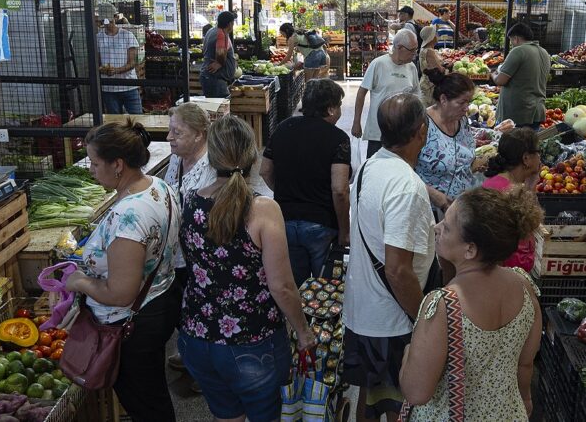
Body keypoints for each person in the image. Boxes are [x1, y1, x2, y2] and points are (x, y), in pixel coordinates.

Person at [177, 115, 316, 422]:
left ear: (212, 156)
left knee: (226, 415)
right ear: (254, 155)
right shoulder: (263, 209)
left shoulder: (189, 202)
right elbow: (281, 286)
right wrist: (303, 332)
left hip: (197, 337)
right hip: (252, 341)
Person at [65, 120, 181, 422]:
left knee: (145, 404)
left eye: (94, 162)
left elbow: (120, 293)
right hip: (158, 302)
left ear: (117, 164)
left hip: (130, 325)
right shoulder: (159, 186)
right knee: (152, 394)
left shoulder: (127, 216)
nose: (91, 169)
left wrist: (80, 282)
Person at [399, 187, 543, 420]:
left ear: (470, 249)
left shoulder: (443, 305)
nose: (436, 228)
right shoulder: (525, 286)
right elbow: (525, 364)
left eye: (446, 227)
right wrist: (526, 400)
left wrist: (408, 353)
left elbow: (416, 393)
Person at [343, 93, 437, 422]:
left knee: (370, 397)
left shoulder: (371, 165)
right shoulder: (405, 186)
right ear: (421, 132)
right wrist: (424, 319)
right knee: (401, 404)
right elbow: (398, 270)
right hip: (393, 321)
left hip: (364, 310)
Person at [260, 79, 351, 286]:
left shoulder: (283, 128)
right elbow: (339, 190)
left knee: (295, 286)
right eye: (339, 106)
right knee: (325, 290)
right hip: (321, 224)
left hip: (285, 220)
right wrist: (344, 231)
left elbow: (265, 171)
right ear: (330, 109)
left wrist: (285, 191)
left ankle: (296, 318)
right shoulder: (338, 138)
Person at [163, 102, 216, 381]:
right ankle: (189, 353)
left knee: (197, 307)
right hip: (176, 252)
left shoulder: (211, 168)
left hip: (199, 253)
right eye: (170, 131)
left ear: (198, 135)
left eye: (177, 132)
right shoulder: (176, 159)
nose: (169, 138)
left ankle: (201, 371)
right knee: (182, 306)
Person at [415, 71, 488, 216]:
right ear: (443, 99)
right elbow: (405, 171)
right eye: (461, 102)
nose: (466, 108)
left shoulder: (462, 121)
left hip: (461, 208)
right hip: (429, 211)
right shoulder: (422, 124)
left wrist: (475, 164)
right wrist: (434, 195)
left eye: (468, 102)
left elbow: (462, 159)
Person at [351, 29, 421, 159]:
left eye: (416, 50)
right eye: (412, 50)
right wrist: (356, 122)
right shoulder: (378, 64)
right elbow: (362, 92)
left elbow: (416, 93)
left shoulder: (411, 67)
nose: (414, 54)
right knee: (374, 167)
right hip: (378, 131)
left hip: (402, 131)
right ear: (399, 47)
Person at [482, 128, 543, 272]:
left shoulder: (504, 183)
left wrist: (530, 187)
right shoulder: (506, 192)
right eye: (538, 152)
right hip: (505, 275)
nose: (540, 157)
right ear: (526, 159)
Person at [491, 22, 550, 130]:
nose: (512, 44)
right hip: (537, 111)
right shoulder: (544, 52)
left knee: (510, 145)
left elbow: (500, 81)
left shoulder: (518, 51)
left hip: (516, 114)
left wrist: (493, 74)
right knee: (529, 145)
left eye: (511, 40)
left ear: (516, 38)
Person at [96, 3, 143, 115]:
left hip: (129, 85)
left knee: (138, 119)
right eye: (104, 21)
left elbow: (132, 63)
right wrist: (102, 69)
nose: (108, 25)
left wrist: (116, 70)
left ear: (115, 18)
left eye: (110, 21)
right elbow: (97, 62)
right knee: (115, 122)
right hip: (109, 88)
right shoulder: (98, 38)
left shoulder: (127, 35)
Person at [200, 11, 238, 98]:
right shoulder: (221, 34)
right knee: (219, 108)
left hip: (209, 78)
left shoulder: (212, 30)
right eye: (233, 23)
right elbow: (220, 53)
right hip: (215, 80)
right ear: (230, 24)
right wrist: (220, 62)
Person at [418, 26, 445, 107]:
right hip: (430, 86)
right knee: (430, 109)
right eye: (435, 34)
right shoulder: (429, 51)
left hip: (426, 83)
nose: (437, 35)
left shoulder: (425, 49)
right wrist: (448, 66)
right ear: (432, 37)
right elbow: (439, 70)